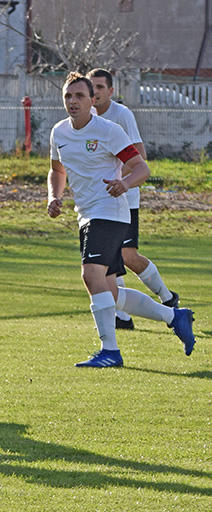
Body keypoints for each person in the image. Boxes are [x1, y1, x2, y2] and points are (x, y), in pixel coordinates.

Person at [47, 72, 195, 368]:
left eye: (79, 96)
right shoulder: (59, 132)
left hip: (110, 212)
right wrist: (54, 196)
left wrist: (124, 184)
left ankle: (110, 351)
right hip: (86, 214)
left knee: (91, 275)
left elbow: (141, 168)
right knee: (110, 292)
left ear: (93, 100)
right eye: (68, 96)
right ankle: (173, 315)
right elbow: (57, 170)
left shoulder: (109, 130)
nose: (73, 101)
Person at [86, 68, 179, 330]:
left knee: (127, 254)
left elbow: (140, 155)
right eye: (90, 88)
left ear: (111, 91)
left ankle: (168, 298)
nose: (94, 93)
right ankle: (122, 318)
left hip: (126, 198)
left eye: (100, 88)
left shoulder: (121, 115)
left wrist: (120, 180)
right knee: (107, 259)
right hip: (98, 201)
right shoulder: (86, 117)